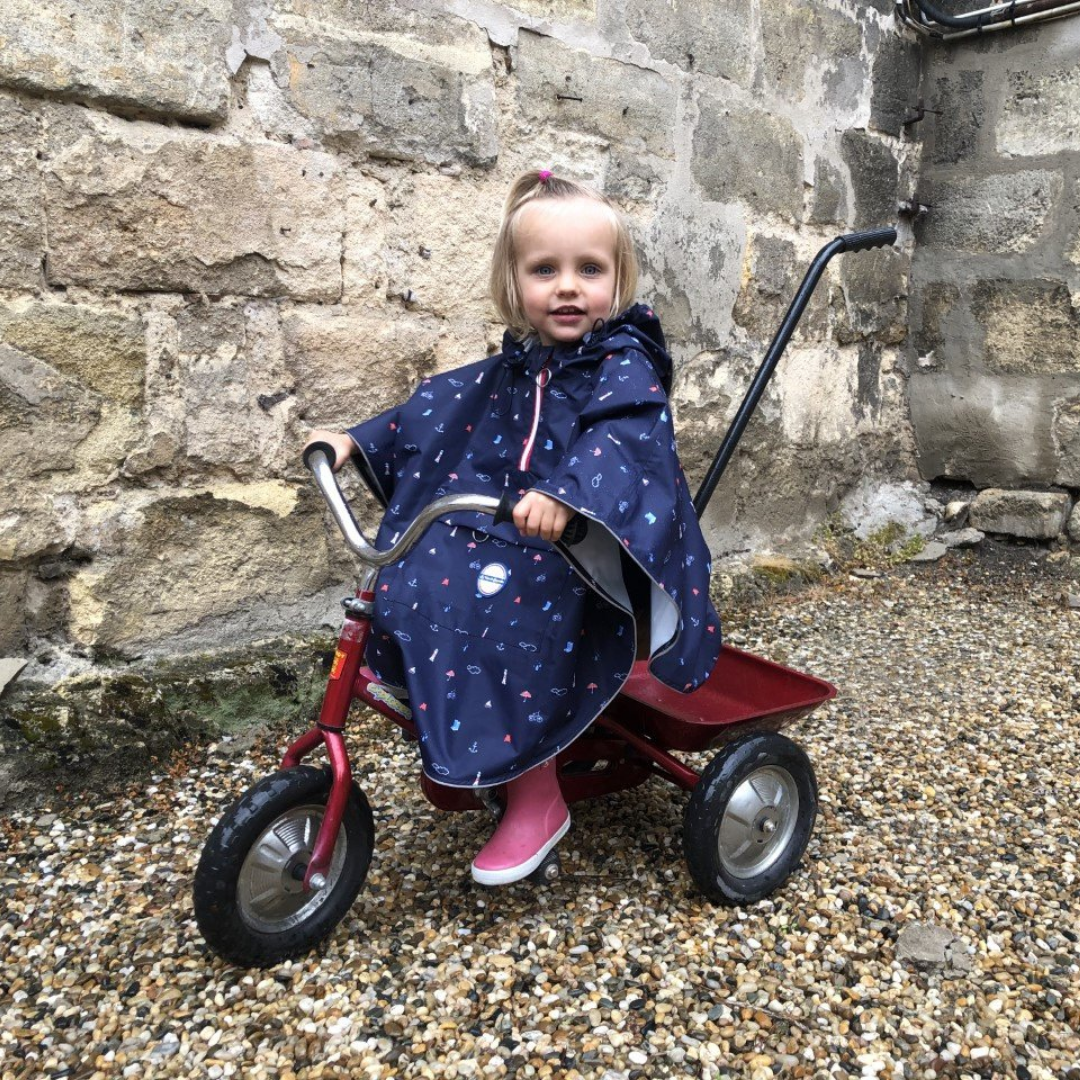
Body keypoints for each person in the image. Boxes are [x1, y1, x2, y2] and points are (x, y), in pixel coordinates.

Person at [306, 170, 721, 886]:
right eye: (545, 270)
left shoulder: (624, 364)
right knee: (411, 576)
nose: (567, 287)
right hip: (516, 538)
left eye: (589, 270)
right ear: (514, 281)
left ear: (617, 280)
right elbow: (439, 407)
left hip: (595, 551)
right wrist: (358, 438)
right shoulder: (515, 365)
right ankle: (453, 707)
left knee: (500, 615)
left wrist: (567, 494)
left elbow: (621, 440)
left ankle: (537, 794)